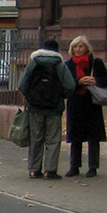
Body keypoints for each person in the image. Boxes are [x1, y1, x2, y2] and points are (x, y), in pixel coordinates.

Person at [18, 38, 76, 179]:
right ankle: (50, 171)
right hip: (54, 108)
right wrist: (59, 96)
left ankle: (34, 169)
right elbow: (70, 86)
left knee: (36, 138)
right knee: (53, 139)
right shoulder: (60, 65)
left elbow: (22, 85)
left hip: (35, 107)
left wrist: (30, 96)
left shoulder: (33, 63)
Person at [63, 36, 107, 177]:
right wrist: (79, 81)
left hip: (92, 102)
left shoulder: (95, 63)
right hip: (76, 102)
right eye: (75, 47)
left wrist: (95, 80)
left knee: (93, 136)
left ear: (87, 48)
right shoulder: (68, 65)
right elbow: (65, 84)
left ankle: (93, 166)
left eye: (81, 46)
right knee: (75, 136)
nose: (78, 49)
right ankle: (74, 166)